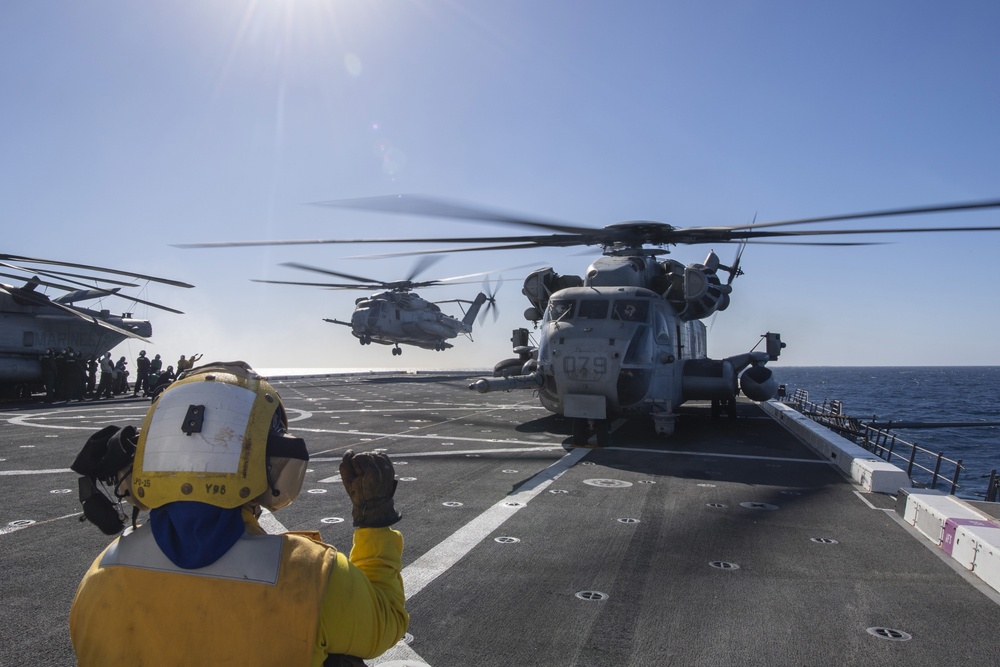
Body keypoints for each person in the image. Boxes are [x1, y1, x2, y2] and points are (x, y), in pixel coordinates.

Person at [69, 361, 407, 665]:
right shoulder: (312, 575)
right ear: (273, 462)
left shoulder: (99, 577)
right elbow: (387, 621)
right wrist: (374, 519)